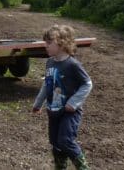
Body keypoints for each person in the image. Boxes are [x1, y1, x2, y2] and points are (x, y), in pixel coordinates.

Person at [32, 25, 93, 170]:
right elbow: (47, 84)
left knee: (65, 140)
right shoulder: (50, 62)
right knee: (55, 142)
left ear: (61, 43)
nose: (45, 46)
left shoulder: (72, 64)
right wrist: (38, 103)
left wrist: (74, 102)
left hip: (69, 112)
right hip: (53, 110)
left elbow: (87, 83)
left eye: (48, 43)